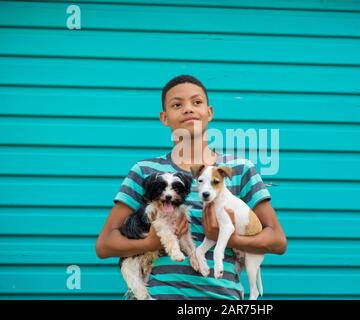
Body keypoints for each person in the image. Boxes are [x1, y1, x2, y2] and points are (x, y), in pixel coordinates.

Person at [95, 74, 287, 299]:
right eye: (177, 105)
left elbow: (277, 241)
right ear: (164, 118)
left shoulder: (239, 169)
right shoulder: (145, 171)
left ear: (210, 112)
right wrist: (151, 242)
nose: (188, 109)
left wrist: (227, 237)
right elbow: (104, 245)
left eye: (197, 102)